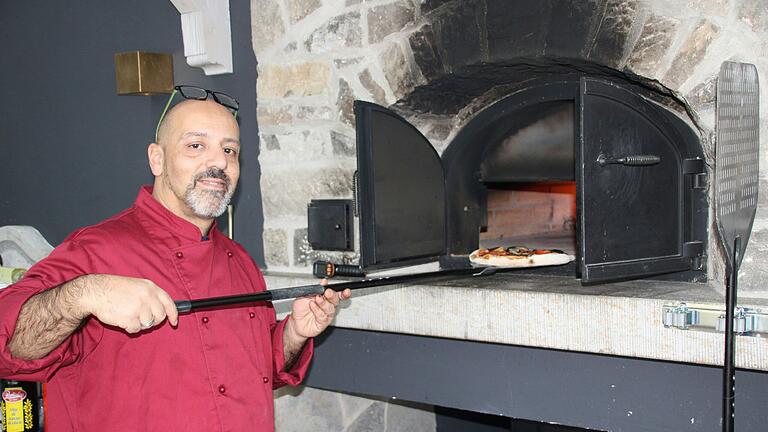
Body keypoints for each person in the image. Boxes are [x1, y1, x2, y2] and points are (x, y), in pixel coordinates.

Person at [0, 91, 351, 431]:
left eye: (229, 150)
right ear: (157, 159)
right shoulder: (96, 249)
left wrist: (293, 333)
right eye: (196, 146)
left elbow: (257, 372)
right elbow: (10, 346)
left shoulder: (240, 262)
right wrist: (84, 293)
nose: (217, 162)